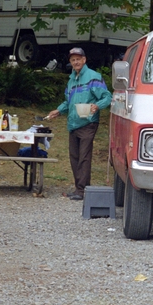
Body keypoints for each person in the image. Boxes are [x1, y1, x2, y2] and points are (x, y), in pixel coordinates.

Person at [47, 47, 112, 200]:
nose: (76, 62)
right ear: (70, 62)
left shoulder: (93, 77)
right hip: (73, 124)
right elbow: (68, 101)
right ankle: (79, 189)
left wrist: (97, 106)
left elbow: (107, 96)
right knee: (74, 157)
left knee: (84, 157)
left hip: (88, 123)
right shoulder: (71, 80)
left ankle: (82, 191)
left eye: (78, 59)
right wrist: (58, 110)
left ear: (84, 60)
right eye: (73, 59)